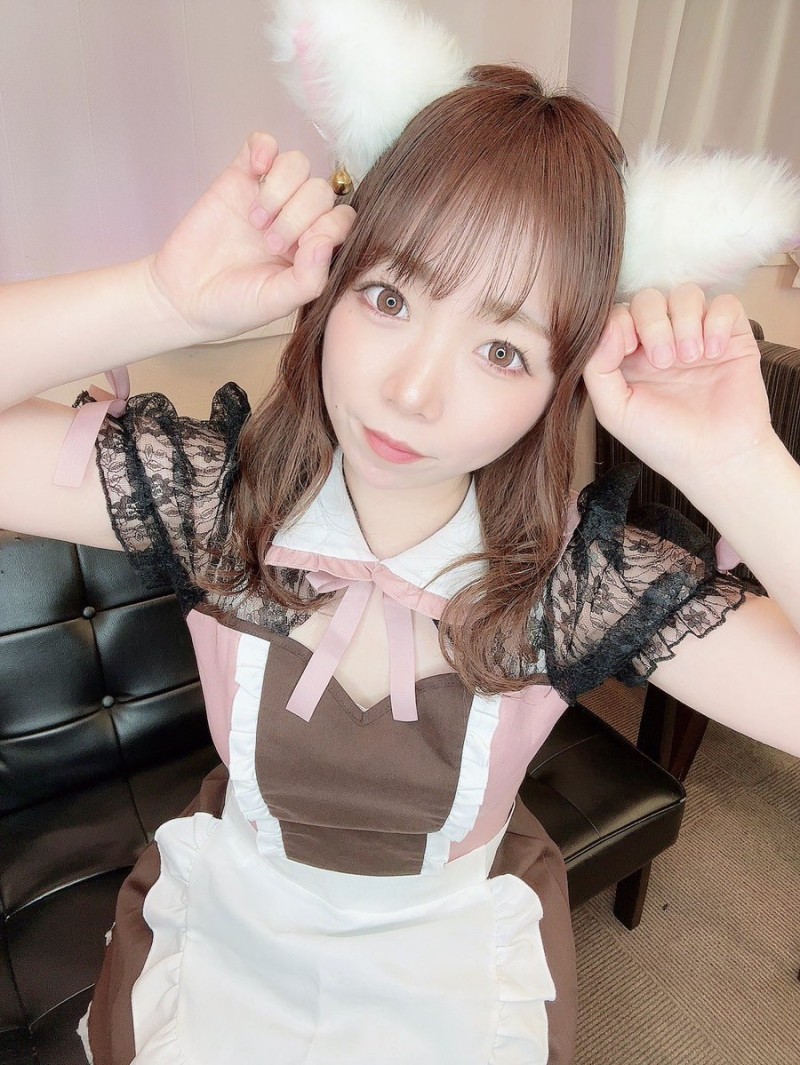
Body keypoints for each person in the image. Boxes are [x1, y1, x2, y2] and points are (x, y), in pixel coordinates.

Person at [1, 48, 799, 1065]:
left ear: (558, 388)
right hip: (231, 953)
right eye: (389, 299)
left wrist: (737, 462)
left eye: (501, 350)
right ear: (333, 286)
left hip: (446, 984)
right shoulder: (226, 503)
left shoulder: (573, 589)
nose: (413, 392)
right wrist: (162, 296)